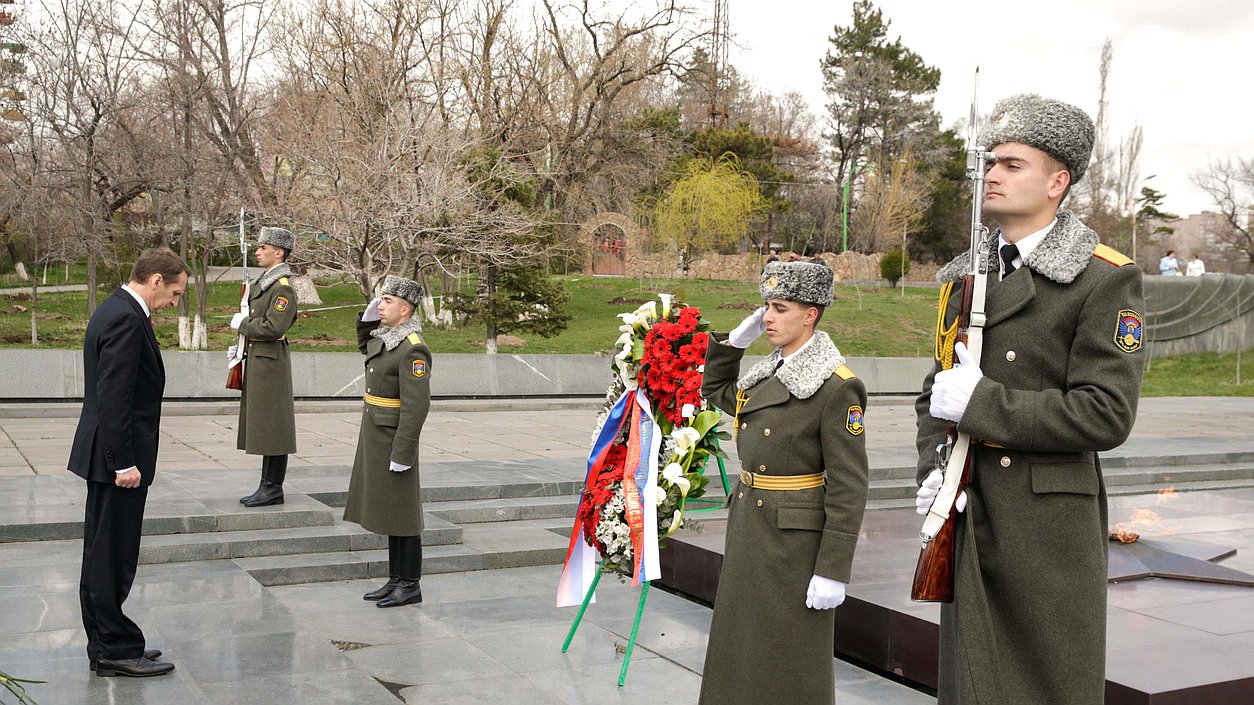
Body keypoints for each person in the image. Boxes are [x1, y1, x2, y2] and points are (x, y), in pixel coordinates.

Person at [914, 94, 1146, 705]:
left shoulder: (1103, 278)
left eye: (1013, 164)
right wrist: (933, 471)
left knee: (1042, 685)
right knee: (972, 684)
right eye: (991, 161)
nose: (991, 173)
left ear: (1057, 181)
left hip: (1046, 526)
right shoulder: (967, 273)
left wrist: (984, 403)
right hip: (971, 508)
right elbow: (934, 392)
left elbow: (1107, 411)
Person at [698, 261, 870, 705]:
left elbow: (850, 484)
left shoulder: (836, 387)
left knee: (789, 657)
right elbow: (716, 394)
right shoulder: (766, 374)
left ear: (810, 313)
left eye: (779, 307)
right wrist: (733, 345)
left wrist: (833, 568)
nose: (768, 318)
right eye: (765, 307)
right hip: (750, 528)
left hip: (793, 543)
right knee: (739, 646)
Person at [68, 248, 188, 678]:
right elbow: (115, 396)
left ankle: (107, 643)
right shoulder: (124, 317)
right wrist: (123, 463)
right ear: (155, 280)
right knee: (111, 556)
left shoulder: (118, 309)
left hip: (108, 454)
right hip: (115, 459)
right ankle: (114, 648)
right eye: (174, 293)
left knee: (106, 552)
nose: (174, 303)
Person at [344, 275, 432, 608]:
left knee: (404, 513)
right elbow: (367, 348)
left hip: (394, 438)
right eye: (381, 299)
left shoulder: (413, 347)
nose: (380, 305)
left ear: (406, 309)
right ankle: (396, 579)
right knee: (391, 511)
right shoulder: (388, 339)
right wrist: (365, 322)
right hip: (376, 434)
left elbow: (416, 405)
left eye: (387, 301)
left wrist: (404, 452)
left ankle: (410, 584)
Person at [231, 227, 299, 508]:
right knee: (267, 426)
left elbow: (274, 326)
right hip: (261, 359)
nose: (257, 251)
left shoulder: (282, 286)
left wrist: (243, 325)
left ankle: (272, 487)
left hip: (271, 361)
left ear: (278, 252)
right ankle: (266, 485)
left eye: (263, 247)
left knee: (274, 427)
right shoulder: (267, 282)